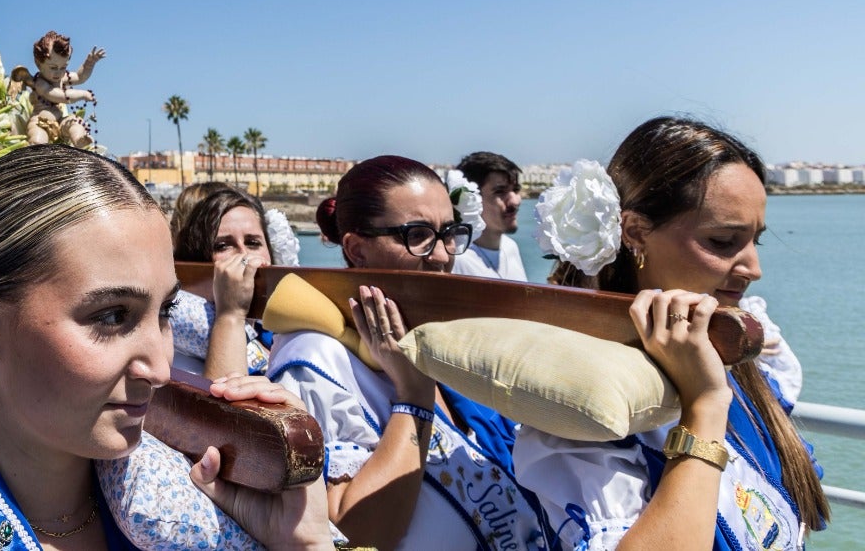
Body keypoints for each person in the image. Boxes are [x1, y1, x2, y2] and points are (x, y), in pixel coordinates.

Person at [0, 143, 338, 551]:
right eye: (112, 316)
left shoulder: (178, 510)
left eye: (164, 314)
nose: (160, 368)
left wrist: (303, 542)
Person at [517, 117, 828, 549]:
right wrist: (704, 404)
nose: (754, 269)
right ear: (635, 233)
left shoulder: (735, 357)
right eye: (723, 241)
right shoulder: (587, 404)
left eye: (757, 240)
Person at [270, 155, 549, 550]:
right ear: (356, 249)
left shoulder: (434, 340)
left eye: (448, 232)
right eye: (417, 234)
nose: (441, 255)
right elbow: (352, 533)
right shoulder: (314, 359)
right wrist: (415, 398)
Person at [169, 186, 273, 379]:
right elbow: (224, 406)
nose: (244, 254)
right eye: (223, 245)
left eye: (253, 243)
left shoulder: (275, 329)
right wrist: (230, 314)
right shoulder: (180, 346)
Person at [450, 151, 527, 281]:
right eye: (500, 191)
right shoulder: (455, 259)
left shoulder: (510, 247)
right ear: (470, 199)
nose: (515, 201)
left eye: (516, 190)